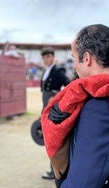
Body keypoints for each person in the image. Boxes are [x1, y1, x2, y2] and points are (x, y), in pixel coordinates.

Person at [41, 24, 109, 187]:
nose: (74, 65)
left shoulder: (99, 107)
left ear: (86, 58)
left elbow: (82, 183)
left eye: (75, 58)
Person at [40, 47, 71, 180]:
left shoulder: (58, 70)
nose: (46, 59)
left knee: (53, 140)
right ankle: (54, 169)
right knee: (49, 139)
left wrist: (57, 96)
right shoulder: (46, 71)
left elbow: (69, 85)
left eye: (48, 56)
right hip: (46, 108)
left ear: (53, 56)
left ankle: (55, 171)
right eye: (44, 57)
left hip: (53, 110)